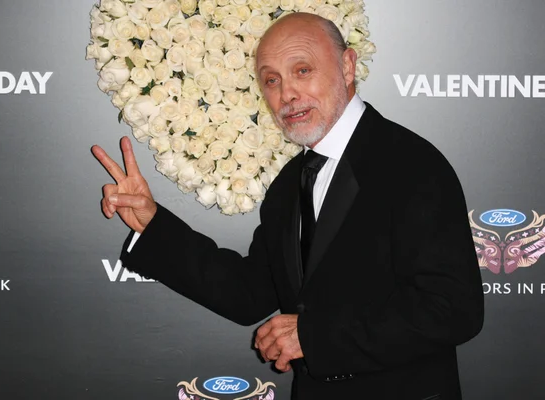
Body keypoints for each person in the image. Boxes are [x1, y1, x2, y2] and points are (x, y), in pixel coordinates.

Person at [92, 12, 484, 400]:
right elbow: (249, 292)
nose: (287, 94)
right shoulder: (289, 182)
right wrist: (153, 223)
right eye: (272, 80)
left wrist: (312, 336)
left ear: (348, 66)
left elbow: (452, 309)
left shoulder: (410, 163)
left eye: (302, 70)